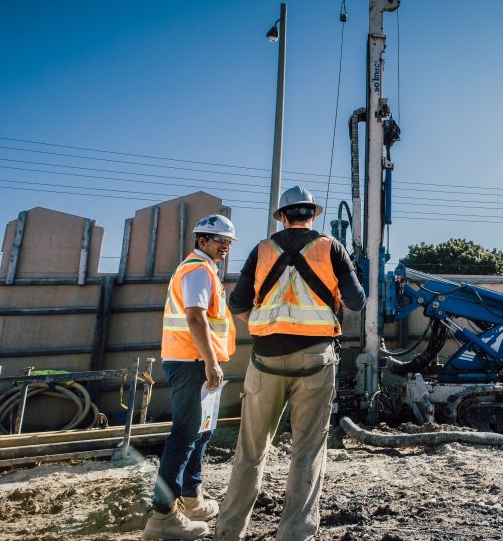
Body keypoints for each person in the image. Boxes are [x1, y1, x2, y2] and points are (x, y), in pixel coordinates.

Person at [216, 186, 366, 541]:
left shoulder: (262, 250)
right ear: (312, 215)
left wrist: (262, 326)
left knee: (250, 451)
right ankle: (295, 533)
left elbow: (237, 304)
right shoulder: (332, 248)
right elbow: (356, 302)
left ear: (282, 216)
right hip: (316, 359)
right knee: (307, 451)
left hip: (265, 359)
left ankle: (229, 531)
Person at [143, 214, 238, 540]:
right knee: (184, 435)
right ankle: (163, 515)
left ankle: (191, 498)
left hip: (196, 362)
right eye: (219, 240)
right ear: (202, 241)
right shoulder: (197, 270)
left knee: (200, 431)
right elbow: (195, 318)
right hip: (192, 362)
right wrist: (210, 362)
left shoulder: (205, 270)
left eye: (228, 241)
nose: (225, 246)